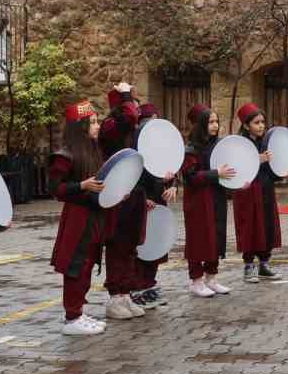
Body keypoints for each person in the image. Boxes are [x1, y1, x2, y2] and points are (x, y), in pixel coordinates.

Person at [49, 101, 110, 334]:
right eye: (92, 122)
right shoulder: (65, 155)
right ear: (80, 126)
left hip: (94, 216)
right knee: (76, 265)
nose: (97, 127)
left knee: (87, 263)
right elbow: (55, 189)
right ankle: (72, 316)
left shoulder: (94, 150)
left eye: (97, 122)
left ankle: (79, 312)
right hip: (77, 217)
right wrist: (81, 186)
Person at [98, 83, 147, 318]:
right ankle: (114, 297)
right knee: (117, 246)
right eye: (129, 103)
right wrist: (126, 94)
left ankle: (126, 293)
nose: (134, 109)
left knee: (130, 245)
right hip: (118, 194)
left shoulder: (130, 129)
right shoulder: (110, 126)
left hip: (134, 192)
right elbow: (128, 116)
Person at [181, 104, 234, 297]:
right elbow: (191, 177)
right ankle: (196, 280)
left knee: (216, 235)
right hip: (197, 201)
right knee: (198, 239)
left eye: (216, 121)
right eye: (210, 122)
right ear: (201, 124)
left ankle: (211, 277)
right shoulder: (191, 149)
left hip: (216, 197)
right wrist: (215, 173)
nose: (215, 125)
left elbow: (229, 170)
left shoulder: (218, 146)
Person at [130, 101, 176, 308]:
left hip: (158, 201)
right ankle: (136, 288)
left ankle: (149, 285)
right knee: (141, 247)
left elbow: (169, 171)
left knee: (157, 243)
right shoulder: (134, 149)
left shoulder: (161, 147)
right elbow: (131, 178)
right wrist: (141, 198)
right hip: (141, 201)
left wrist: (172, 185)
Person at [232, 102, 282, 282]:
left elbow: (271, 170)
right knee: (250, 227)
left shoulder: (267, 142)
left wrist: (280, 170)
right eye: (256, 122)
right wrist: (257, 159)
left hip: (265, 189)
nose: (261, 126)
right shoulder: (239, 144)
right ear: (246, 125)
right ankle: (248, 266)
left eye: (262, 122)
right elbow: (235, 168)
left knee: (267, 225)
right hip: (247, 192)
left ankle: (264, 264)